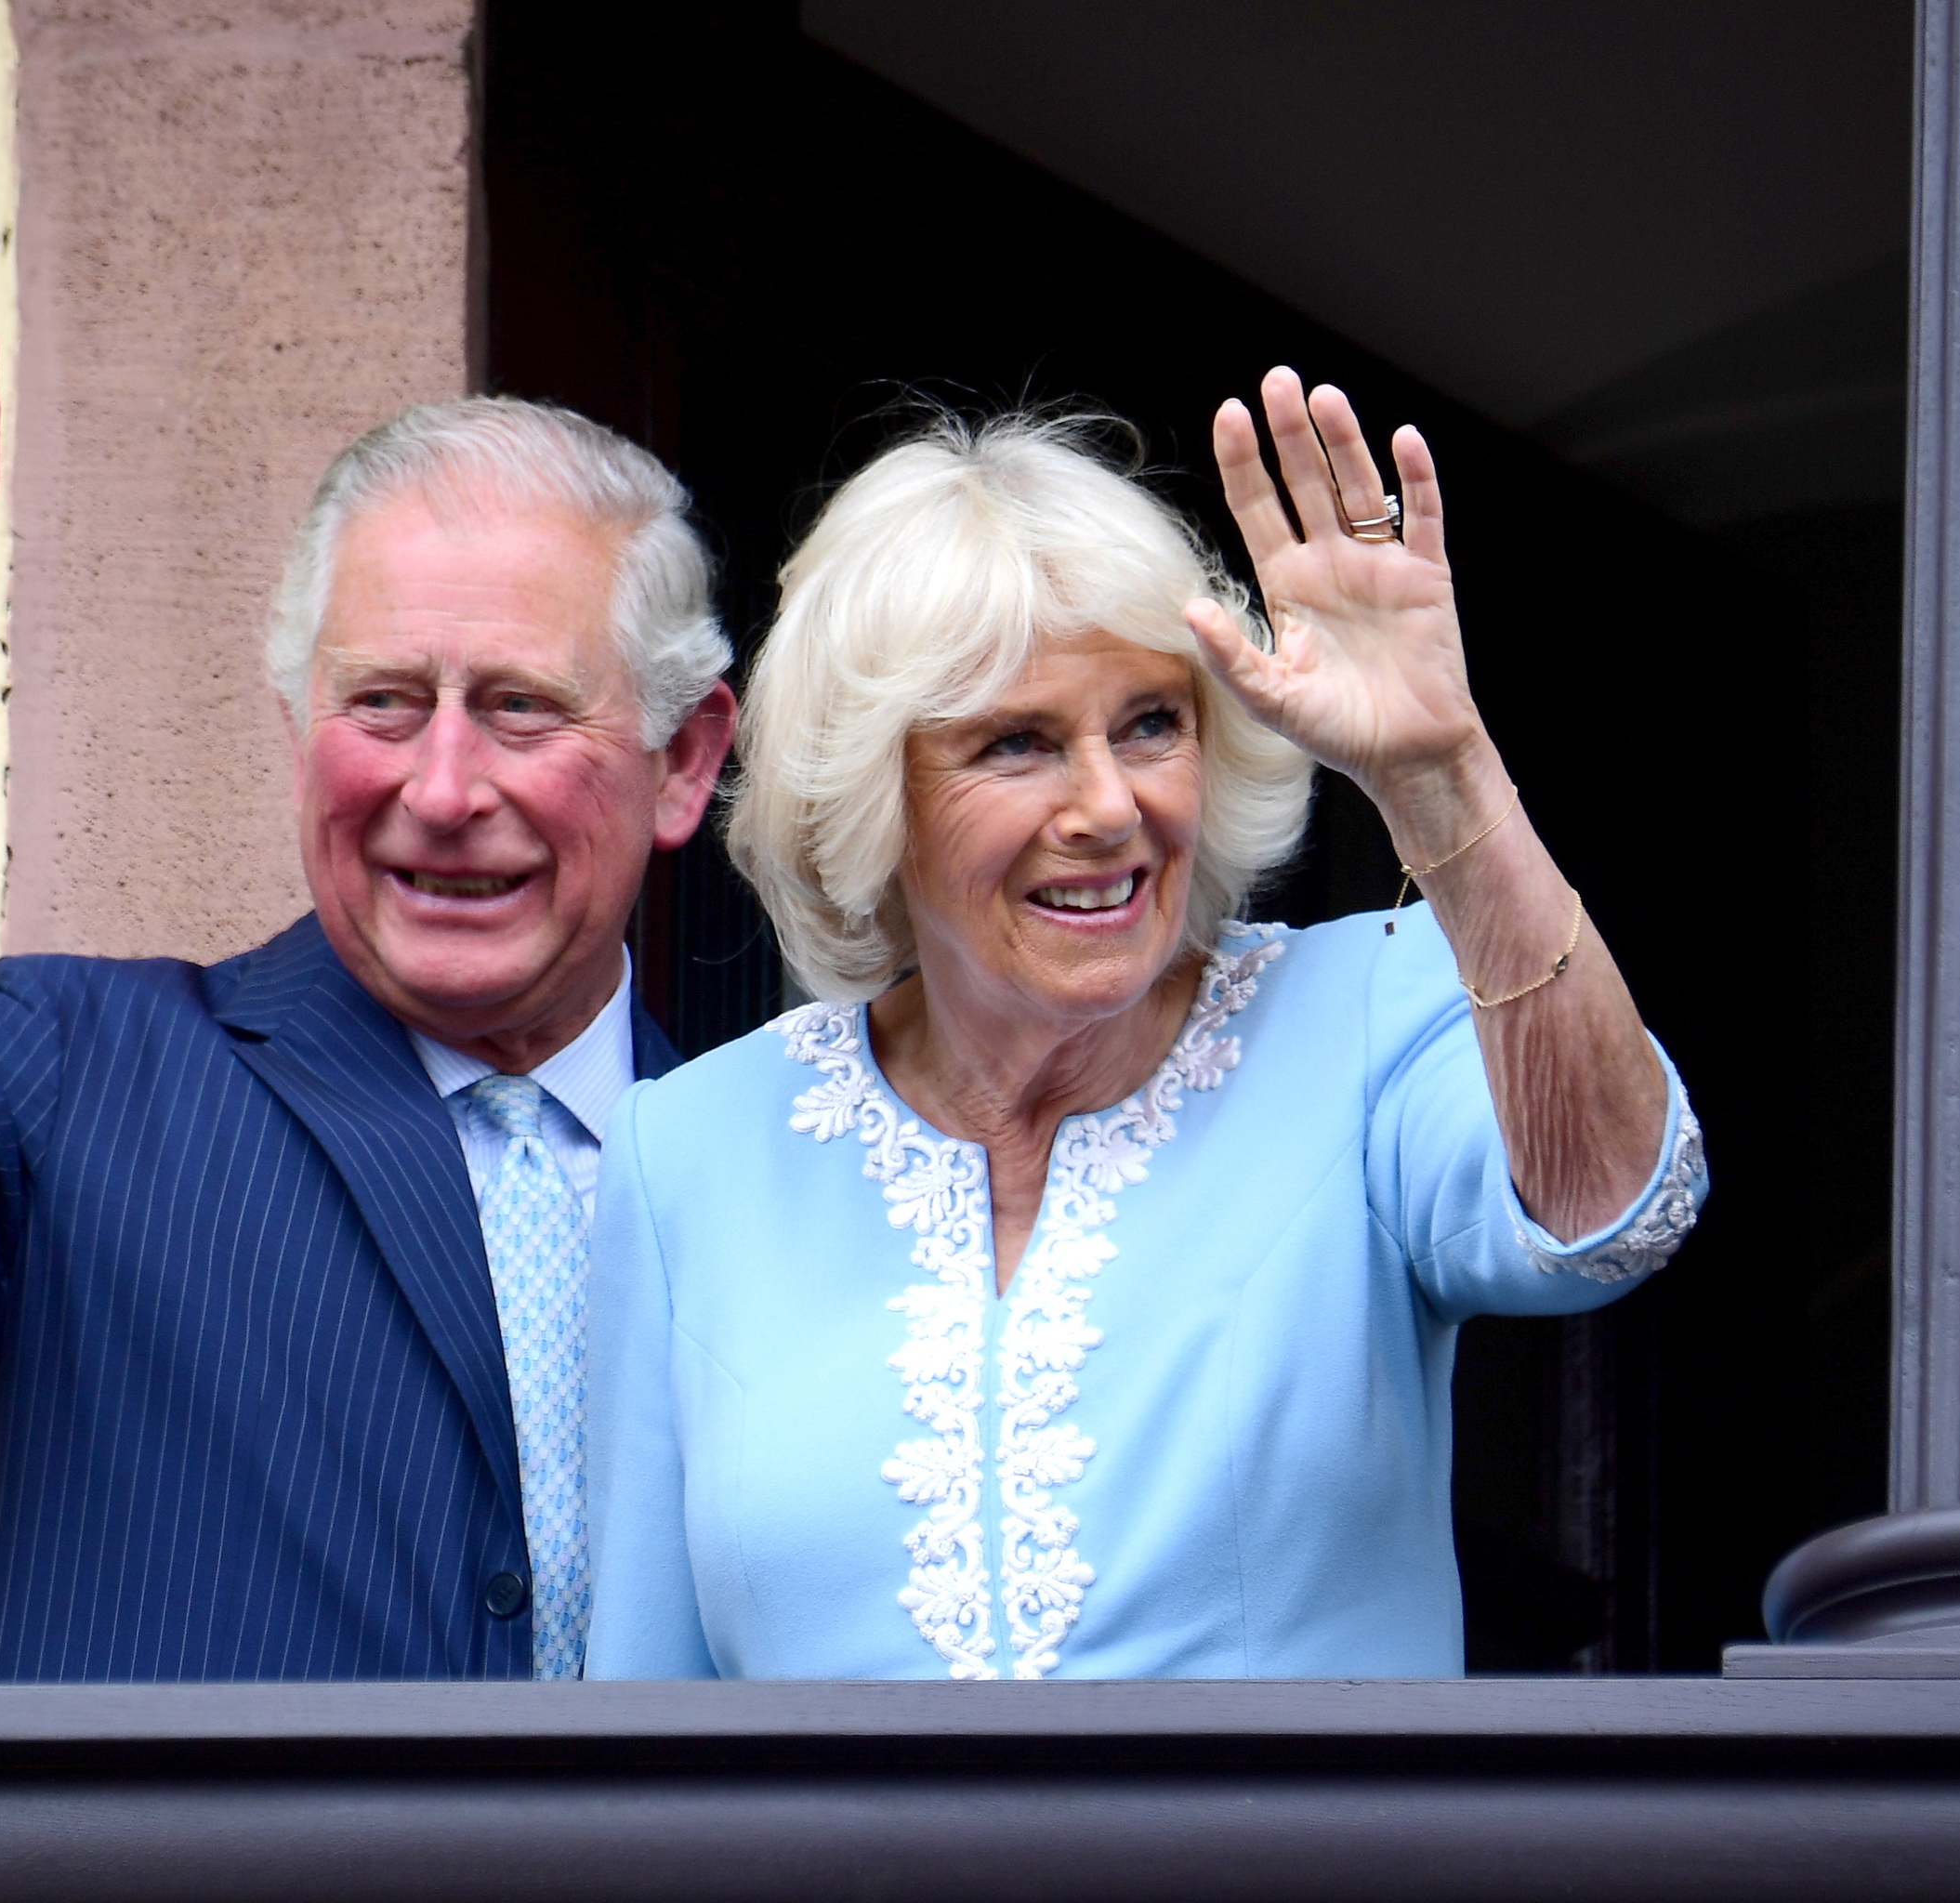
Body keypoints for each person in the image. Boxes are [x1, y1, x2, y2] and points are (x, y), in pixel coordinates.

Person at [0, 196, 735, 1680]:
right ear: (297, 735)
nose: (445, 788)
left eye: (524, 706)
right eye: (383, 703)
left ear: (684, 761)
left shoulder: (776, 1178)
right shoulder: (70, 1080)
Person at [584, 374, 1705, 1679]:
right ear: (871, 793)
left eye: (1151, 724)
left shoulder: (1365, 1014)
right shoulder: (688, 1153)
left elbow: (1615, 1209)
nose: (1109, 806)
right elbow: (644, 1711)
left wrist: (1439, 779)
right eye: (1017, 744)